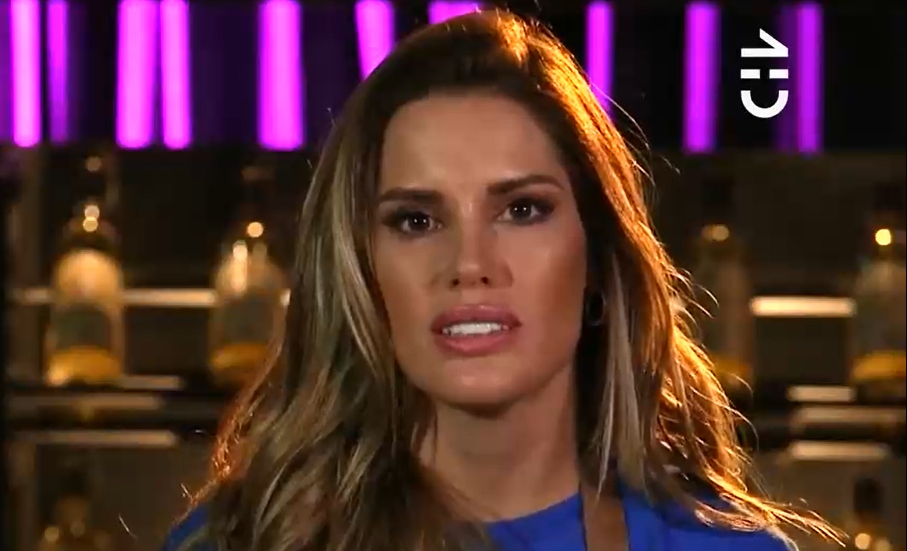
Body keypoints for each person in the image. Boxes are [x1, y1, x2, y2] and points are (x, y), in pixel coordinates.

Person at [163, 10, 839, 551]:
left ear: (597, 256)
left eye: (521, 210)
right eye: (416, 219)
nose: (469, 263)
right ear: (362, 269)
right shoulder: (243, 539)